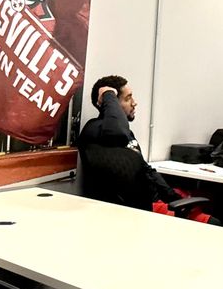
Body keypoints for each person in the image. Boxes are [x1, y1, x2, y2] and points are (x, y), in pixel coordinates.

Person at [76, 75, 214, 224]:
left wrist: (173, 197)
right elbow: (117, 132)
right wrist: (109, 94)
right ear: (112, 104)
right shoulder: (95, 129)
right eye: (128, 98)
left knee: (215, 207)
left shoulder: (126, 134)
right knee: (215, 224)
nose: (134, 103)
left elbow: (146, 169)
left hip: (153, 201)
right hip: (139, 211)